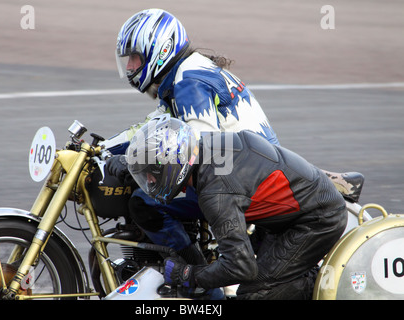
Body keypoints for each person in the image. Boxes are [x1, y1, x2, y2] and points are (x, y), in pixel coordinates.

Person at [105, 8, 279, 265]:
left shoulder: (189, 81)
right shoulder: (180, 76)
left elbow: (196, 145)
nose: (129, 67)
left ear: (160, 51)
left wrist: (132, 162)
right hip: (240, 169)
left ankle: (197, 281)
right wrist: (101, 148)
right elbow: (151, 129)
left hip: (244, 180)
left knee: (145, 203)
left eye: (135, 58)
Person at [124, 115, 348, 299]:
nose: (149, 181)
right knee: (266, 274)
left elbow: (240, 267)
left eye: (151, 172)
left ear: (174, 163)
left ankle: (307, 287)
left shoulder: (216, 193)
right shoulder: (204, 147)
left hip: (315, 219)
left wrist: (187, 273)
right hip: (288, 214)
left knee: (254, 293)